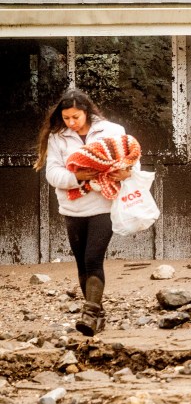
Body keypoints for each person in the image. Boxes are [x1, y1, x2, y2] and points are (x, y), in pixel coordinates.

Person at [34, 89, 133, 336]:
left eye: (75, 117)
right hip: (72, 206)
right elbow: (52, 174)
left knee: (92, 258)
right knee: (81, 264)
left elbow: (131, 161)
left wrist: (125, 172)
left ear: (86, 112)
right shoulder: (59, 137)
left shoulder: (112, 131)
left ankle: (88, 314)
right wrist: (77, 176)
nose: (71, 122)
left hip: (104, 203)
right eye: (66, 117)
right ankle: (95, 318)